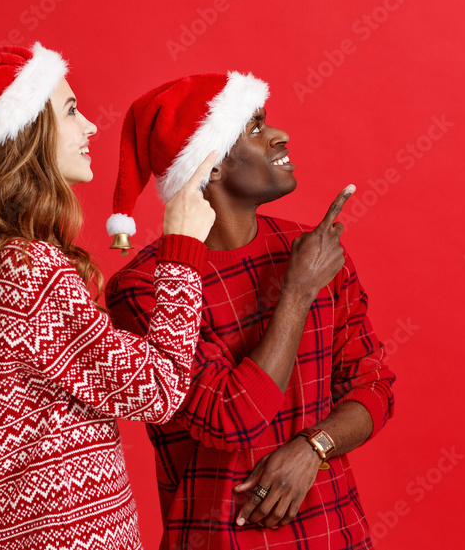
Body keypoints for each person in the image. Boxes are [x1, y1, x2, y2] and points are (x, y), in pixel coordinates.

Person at [0, 43, 218, 550]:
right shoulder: (31, 271)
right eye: (72, 111)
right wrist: (183, 249)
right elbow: (159, 392)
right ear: (27, 132)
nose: (92, 128)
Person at [104, 72, 395, 550]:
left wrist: (313, 447)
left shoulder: (310, 249)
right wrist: (297, 292)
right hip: (223, 540)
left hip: (335, 534)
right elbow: (230, 416)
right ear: (209, 167)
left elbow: (374, 384)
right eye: (255, 127)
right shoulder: (144, 289)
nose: (279, 134)